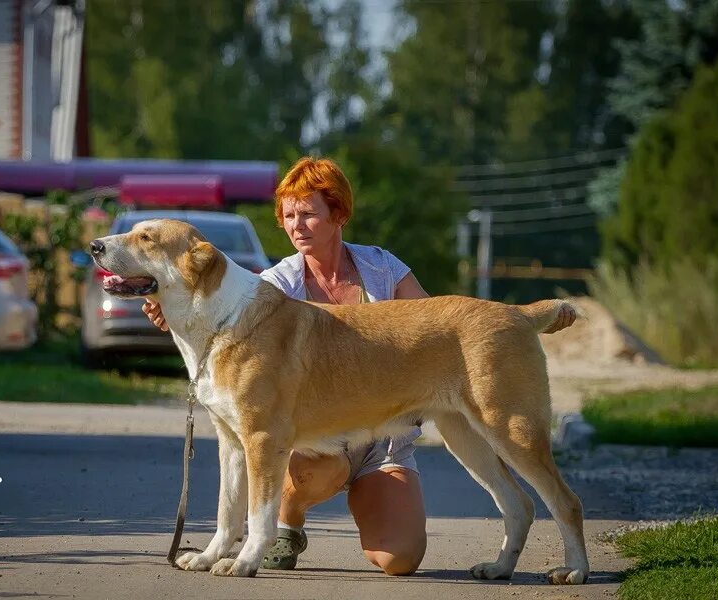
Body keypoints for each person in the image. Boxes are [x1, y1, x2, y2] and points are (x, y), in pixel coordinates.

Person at [142, 157, 575, 576]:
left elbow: (433, 323)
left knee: (405, 554)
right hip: (316, 449)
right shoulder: (271, 288)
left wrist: (515, 326)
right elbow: (219, 312)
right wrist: (171, 309)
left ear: (338, 214)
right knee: (278, 447)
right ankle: (279, 530)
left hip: (384, 445)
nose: (296, 225)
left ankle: (569, 548)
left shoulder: (380, 265)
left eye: (308, 213)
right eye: (288, 215)